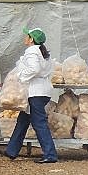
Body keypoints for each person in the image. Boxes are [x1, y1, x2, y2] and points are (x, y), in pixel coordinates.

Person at [4, 27, 58, 164]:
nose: (25, 38)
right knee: (23, 120)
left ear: (31, 39)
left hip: (35, 92)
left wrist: (21, 76)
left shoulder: (32, 51)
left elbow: (34, 69)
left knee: (39, 123)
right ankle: (11, 150)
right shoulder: (43, 52)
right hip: (43, 90)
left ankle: (50, 154)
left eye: (27, 36)